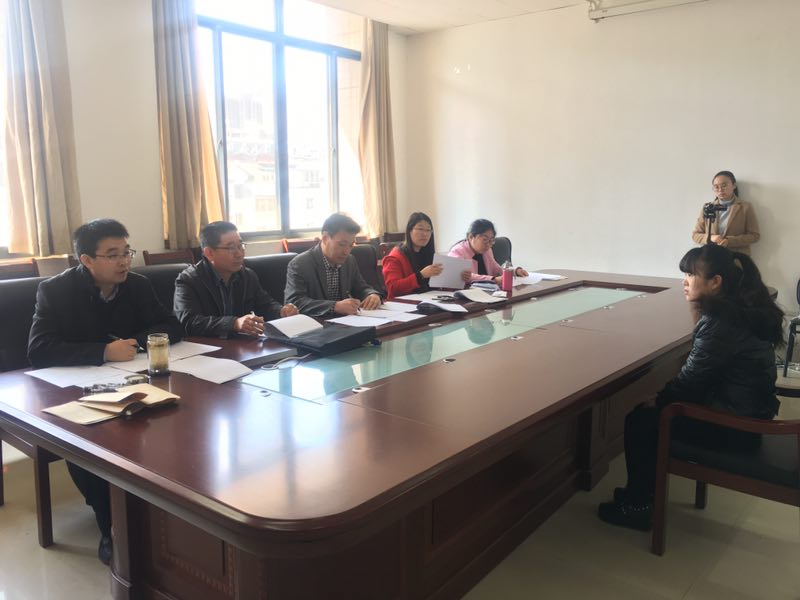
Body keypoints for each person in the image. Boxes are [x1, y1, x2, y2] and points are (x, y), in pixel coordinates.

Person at [27, 218, 183, 565]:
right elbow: (39, 350)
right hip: (76, 390)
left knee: (176, 419)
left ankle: (162, 512)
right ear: (86, 260)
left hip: (135, 383)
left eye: (126, 252)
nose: (124, 261)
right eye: (113, 255)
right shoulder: (55, 291)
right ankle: (110, 525)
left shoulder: (139, 285)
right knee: (84, 440)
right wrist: (102, 351)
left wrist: (135, 343)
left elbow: (172, 326)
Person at [598, 244, 783, 531]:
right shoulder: (739, 310)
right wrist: (664, 396)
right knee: (652, 410)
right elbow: (697, 378)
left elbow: (691, 383)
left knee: (641, 420)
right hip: (750, 412)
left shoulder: (722, 321)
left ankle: (638, 505)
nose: (684, 282)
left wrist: (660, 399)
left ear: (715, 282)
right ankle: (641, 494)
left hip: (736, 427)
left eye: (691, 275)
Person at [174, 221, 298, 337]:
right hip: (205, 348)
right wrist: (234, 324)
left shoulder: (247, 276)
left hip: (240, 344)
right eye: (231, 248)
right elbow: (189, 322)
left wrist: (281, 311)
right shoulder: (188, 280)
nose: (239, 254)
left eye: (240, 246)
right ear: (209, 253)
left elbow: (265, 305)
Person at [284, 213, 382, 316]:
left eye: (351, 245)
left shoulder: (350, 260)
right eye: (342, 244)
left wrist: (371, 294)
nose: (347, 252)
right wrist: (334, 306)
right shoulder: (300, 264)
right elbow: (294, 302)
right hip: (316, 323)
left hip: (346, 321)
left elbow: (360, 287)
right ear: (325, 238)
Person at [691, 170, 760, 255]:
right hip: (711, 257)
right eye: (716, 187)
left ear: (734, 185)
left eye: (724, 185)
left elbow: (754, 236)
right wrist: (711, 237)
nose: (720, 190)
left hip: (736, 257)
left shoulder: (745, 207)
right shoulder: (708, 207)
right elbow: (695, 235)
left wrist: (729, 241)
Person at [382, 212, 443, 299]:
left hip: (429, 299)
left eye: (428, 230)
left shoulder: (428, 253)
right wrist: (420, 276)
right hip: (404, 303)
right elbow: (392, 287)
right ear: (409, 231)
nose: (425, 234)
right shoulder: (395, 257)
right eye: (420, 229)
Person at [448, 219, 529, 285]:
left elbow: (496, 269)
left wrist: (515, 272)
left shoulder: (487, 250)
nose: (488, 245)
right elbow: (466, 276)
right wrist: (493, 280)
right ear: (471, 237)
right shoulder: (457, 252)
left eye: (491, 240)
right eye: (485, 239)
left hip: (488, 292)